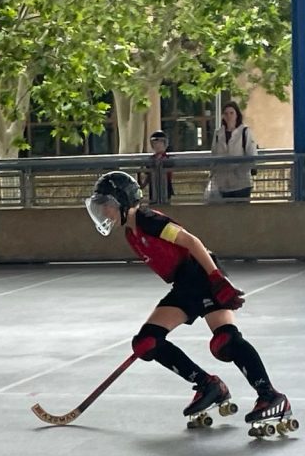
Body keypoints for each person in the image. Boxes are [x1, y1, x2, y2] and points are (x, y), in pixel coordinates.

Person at [84, 171, 294, 434]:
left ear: (123, 202)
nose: (104, 211)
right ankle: (209, 386)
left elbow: (191, 241)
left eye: (107, 205)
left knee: (225, 341)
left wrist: (216, 278)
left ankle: (271, 396)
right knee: (147, 342)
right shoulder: (131, 233)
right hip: (184, 285)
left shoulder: (149, 221)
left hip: (203, 276)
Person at [209, 101, 258, 200]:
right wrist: (213, 173)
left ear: (237, 115)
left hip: (241, 182)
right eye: (226, 113)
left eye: (231, 113)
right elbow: (214, 155)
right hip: (222, 183)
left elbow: (251, 155)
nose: (229, 116)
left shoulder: (245, 132)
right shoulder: (218, 134)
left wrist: (239, 171)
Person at [139, 130, 174, 203]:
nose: (157, 145)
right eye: (155, 143)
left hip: (166, 188)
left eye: (160, 143)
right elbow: (148, 177)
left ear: (165, 144)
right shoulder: (150, 159)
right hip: (153, 189)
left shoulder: (169, 158)